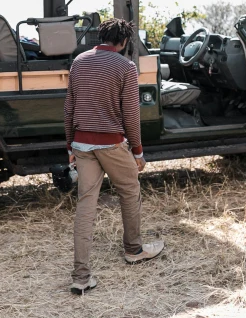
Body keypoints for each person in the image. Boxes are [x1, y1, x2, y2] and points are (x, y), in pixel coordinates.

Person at [64, 18, 165, 295]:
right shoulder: (126, 67)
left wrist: (70, 147)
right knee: (130, 191)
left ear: (100, 37)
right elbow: (131, 115)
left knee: (86, 204)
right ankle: (133, 249)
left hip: (82, 144)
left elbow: (69, 108)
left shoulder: (79, 62)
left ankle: (81, 276)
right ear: (123, 43)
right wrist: (138, 152)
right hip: (112, 144)